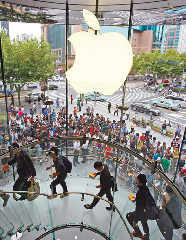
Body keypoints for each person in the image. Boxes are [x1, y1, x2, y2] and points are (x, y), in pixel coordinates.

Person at [126, 174, 157, 240]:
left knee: (128, 216)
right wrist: (137, 199)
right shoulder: (145, 188)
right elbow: (149, 199)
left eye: (137, 180)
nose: (136, 180)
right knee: (144, 221)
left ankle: (138, 233)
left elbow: (138, 209)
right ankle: (146, 236)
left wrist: (135, 221)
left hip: (143, 212)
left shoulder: (140, 193)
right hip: (148, 211)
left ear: (141, 183)